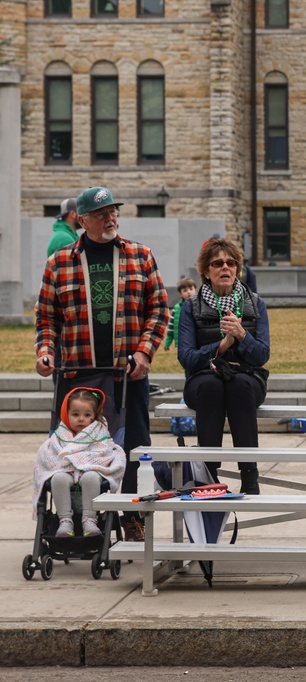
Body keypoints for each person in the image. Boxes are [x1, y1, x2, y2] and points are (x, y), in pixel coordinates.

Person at [35, 186, 169, 542]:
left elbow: (158, 310)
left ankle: (131, 516)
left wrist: (144, 352)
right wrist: (45, 351)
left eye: (113, 211)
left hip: (128, 375)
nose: (110, 218)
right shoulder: (59, 262)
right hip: (77, 377)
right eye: (101, 214)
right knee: (73, 449)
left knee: (133, 446)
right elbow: (47, 318)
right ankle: (75, 517)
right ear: (82, 221)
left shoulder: (140, 256)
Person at [177, 238, 270, 495]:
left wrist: (241, 335)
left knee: (239, 385)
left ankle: (249, 474)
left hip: (247, 376)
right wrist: (220, 346)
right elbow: (186, 357)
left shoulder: (255, 303)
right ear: (206, 271)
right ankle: (209, 475)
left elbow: (262, 355)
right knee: (211, 386)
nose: (225, 268)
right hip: (203, 376)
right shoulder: (190, 306)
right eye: (217, 263)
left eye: (231, 263)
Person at [32, 386, 126, 537]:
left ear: (94, 417)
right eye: (75, 414)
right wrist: (69, 463)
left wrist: (84, 463)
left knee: (91, 477)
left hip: (92, 470)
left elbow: (103, 451)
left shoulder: (99, 432)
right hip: (64, 470)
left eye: (87, 414)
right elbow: (50, 452)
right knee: (58, 478)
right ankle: (65, 521)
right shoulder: (61, 434)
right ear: (66, 414)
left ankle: (90, 519)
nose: (81, 419)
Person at [162, 277, 197, 351]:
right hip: (182, 342)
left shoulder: (200, 306)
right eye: (185, 290)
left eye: (191, 289)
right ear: (180, 294)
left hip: (197, 341)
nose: (188, 292)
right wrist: (167, 343)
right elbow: (171, 327)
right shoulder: (176, 308)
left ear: (195, 290)